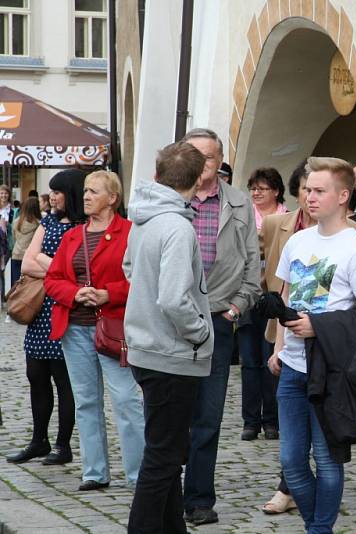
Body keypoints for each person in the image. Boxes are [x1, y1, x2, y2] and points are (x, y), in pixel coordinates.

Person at [267, 156, 356, 533]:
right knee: (292, 462)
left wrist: (319, 327)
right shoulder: (297, 241)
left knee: (328, 459)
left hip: (330, 371)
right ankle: (318, 526)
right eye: (306, 190)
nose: (309, 197)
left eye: (319, 190)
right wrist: (278, 347)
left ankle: (319, 529)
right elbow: (285, 299)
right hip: (293, 367)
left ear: (343, 195)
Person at [124, 141, 214, 534]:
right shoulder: (176, 225)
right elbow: (174, 299)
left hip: (148, 349)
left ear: (159, 175)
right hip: (171, 354)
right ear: (197, 180)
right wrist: (200, 332)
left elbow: (130, 269)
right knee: (163, 457)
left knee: (168, 451)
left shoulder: (144, 218)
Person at [45, 170, 145, 491]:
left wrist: (108, 294)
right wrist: (74, 294)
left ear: (112, 198)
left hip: (115, 328)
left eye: (94, 191)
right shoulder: (72, 236)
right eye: (85, 191)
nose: (85, 196)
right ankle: (94, 472)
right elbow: (53, 280)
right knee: (86, 402)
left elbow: (142, 280)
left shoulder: (130, 233)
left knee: (127, 400)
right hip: (75, 328)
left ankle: (138, 474)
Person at [180, 128, 261, 526]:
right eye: (193, 157)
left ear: (220, 161)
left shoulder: (240, 204)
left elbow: (253, 268)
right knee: (171, 415)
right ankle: (163, 492)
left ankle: (198, 499)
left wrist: (235, 308)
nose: (200, 165)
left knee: (208, 417)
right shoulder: (167, 203)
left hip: (217, 319)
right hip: (172, 319)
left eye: (208, 158)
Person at [6, 170, 85, 465]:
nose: (52, 196)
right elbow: (27, 262)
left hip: (68, 310)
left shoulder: (83, 226)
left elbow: (80, 272)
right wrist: (60, 271)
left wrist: (52, 268)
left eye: (58, 191)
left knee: (65, 381)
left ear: (71, 193)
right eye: (51, 191)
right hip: (41, 310)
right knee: (36, 376)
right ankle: (39, 440)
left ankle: (63, 446)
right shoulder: (48, 222)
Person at [239, 167, 288, 442]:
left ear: (276, 191)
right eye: (253, 189)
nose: (256, 193)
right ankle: (250, 420)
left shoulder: (287, 218)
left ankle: (272, 420)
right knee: (249, 361)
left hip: (276, 296)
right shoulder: (244, 219)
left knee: (272, 359)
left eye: (262, 188)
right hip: (248, 296)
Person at [10, 197, 40, 288]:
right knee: (28, 287)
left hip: (16, 255)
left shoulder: (16, 222)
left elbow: (14, 237)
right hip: (30, 258)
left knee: (16, 284)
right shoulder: (39, 224)